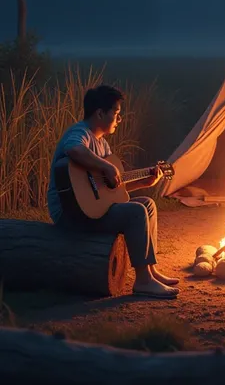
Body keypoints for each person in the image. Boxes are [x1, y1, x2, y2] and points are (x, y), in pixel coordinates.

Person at [47, 84, 179, 299]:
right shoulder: (80, 133)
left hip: (89, 209)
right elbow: (73, 149)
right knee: (135, 212)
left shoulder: (103, 145)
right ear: (100, 113)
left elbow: (110, 189)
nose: (120, 119)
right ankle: (143, 282)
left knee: (147, 204)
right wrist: (108, 167)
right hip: (71, 213)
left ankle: (151, 271)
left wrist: (144, 182)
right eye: (116, 113)